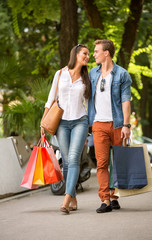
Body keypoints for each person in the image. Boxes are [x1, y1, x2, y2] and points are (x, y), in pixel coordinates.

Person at [41, 44, 91, 214]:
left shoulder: (86, 77)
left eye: (89, 54)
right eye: (85, 53)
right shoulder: (60, 73)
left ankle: (66, 199)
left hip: (80, 121)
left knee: (73, 158)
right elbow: (51, 98)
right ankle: (74, 197)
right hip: (62, 123)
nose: (88, 57)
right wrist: (43, 121)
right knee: (68, 162)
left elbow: (89, 103)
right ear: (76, 54)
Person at [88, 39, 132, 213]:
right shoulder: (92, 73)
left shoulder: (122, 74)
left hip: (118, 124)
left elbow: (125, 101)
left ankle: (114, 197)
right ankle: (105, 199)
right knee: (102, 163)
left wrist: (126, 125)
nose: (94, 54)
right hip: (98, 124)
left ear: (106, 53)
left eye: (96, 51)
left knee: (118, 162)